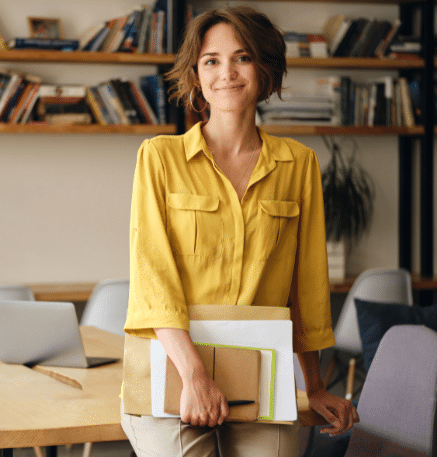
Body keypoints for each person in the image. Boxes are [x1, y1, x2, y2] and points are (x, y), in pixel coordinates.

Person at [122, 6, 358, 456]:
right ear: (196, 74)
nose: (226, 72)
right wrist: (195, 375)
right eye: (211, 60)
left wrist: (315, 386)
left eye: (242, 57)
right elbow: (154, 280)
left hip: (263, 378)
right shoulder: (158, 158)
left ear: (265, 70)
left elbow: (306, 288)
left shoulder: (299, 164)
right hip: (172, 370)